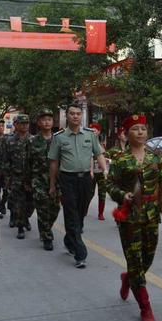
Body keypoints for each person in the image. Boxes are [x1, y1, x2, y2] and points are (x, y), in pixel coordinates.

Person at [107, 115, 162, 321]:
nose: (140, 132)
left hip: (151, 214)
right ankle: (145, 306)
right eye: (135, 129)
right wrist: (122, 195)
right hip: (130, 216)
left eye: (143, 128)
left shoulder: (156, 158)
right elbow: (110, 185)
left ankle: (128, 278)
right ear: (126, 133)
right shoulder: (121, 160)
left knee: (147, 259)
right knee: (135, 261)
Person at [48, 101, 107, 268]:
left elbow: (99, 154)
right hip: (67, 179)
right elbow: (53, 162)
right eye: (72, 113)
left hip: (86, 180)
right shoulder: (59, 137)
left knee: (81, 212)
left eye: (78, 114)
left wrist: (105, 170)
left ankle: (69, 239)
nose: (75, 116)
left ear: (82, 116)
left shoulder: (90, 135)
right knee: (71, 212)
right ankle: (80, 253)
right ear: (66, 116)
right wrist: (52, 185)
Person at [29, 109, 60, 251]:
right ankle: (47, 237)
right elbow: (27, 162)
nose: (47, 122)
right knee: (42, 209)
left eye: (49, 119)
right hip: (38, 180)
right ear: (39, 123)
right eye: (43, 119)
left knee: (54, 209)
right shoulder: (32, 141)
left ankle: (45, 229)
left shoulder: (59, 140)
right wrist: (27, 181)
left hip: (57, 180)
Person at [5, 114, 34, 239]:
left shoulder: (34, 140)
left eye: (26, 123)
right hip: (16, 177)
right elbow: (6, 161)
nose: (24, 125)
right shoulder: (10, 141)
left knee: (31, 203)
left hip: (32, 178)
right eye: (22, 123)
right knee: (19, 203)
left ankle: (26, 218)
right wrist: (7, 179)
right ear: (17, 125)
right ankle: (20, 227)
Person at [88, 122, 108, 220]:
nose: (93, 132)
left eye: (95, 130)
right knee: (89, 193)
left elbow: (105, 157)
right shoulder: (87, 143)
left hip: (101, 173)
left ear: (99, 132)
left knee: (102, 193)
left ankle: (101, 213)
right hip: (91, 172)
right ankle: (84, 209)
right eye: (91, 130)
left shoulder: (102, 144)